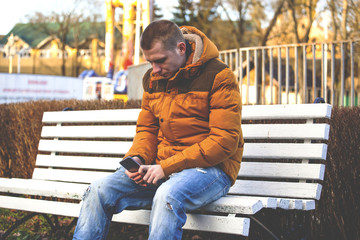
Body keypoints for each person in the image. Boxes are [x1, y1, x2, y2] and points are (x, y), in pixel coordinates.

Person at [73, 19, 244, 240]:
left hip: (211, 171)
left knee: (168, 195)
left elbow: (224, 141)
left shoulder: (219, 76)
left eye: (160, 61)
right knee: (98, 190)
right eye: (150, 62)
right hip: (162, 169)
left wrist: (166, 167)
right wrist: (137, 158)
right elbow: (147, 129)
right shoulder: (154, 80)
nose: (155, 69)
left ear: (181, 48)